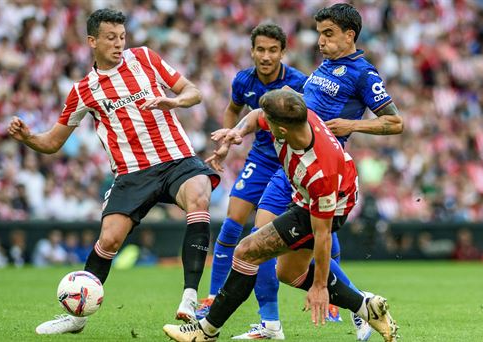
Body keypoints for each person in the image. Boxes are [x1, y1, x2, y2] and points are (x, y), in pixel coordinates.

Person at [7, 9, 219, 334]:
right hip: (132, 173)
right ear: (92, 41)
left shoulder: (145, 58)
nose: (119, 44)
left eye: (122, 37)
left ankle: (190, 298)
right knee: (109, 239)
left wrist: (175, 102)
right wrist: (29, 138)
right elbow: (52, 142)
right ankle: (77, 319)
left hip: (176, 158)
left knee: (199, 197)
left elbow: (194, 91)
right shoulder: (83, 91)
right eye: (110, 38)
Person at [204, 4, 405, 340]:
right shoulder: (326, 66)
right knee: (278, 260)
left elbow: (395, 122)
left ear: (349, 35)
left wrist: (353, 124)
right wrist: (237, 132)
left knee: (264, 245)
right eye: (319, 33)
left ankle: (277, 321)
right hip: (290, 167)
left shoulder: (363, 73)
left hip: (319, 172)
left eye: (328, 34)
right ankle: (348, 308)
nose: (321, 41)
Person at [164, 90, 398, 342]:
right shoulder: (296, 121)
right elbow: (255, 116)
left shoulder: (320, 173)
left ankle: (206, 331)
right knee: (288, 272)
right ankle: (366, 307)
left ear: (282, 130)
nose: (265, 121)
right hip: (308, 195)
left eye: (270, 120)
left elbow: (323, 235)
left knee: (246, 252)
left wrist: (319, 287)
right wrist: (238, 132)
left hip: (324, 204)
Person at [197, 23, 308, 339]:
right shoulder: (243, 80)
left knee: (272, 235)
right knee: (232, 223)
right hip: (260, 159)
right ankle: (213, 297)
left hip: (289, 163)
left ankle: (273, 317)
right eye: (260, 49)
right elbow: (233, 110)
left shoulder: (298, 83)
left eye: (273, 50)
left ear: (282, 52)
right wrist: (227, 142)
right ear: (252, 50)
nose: (266, 56)